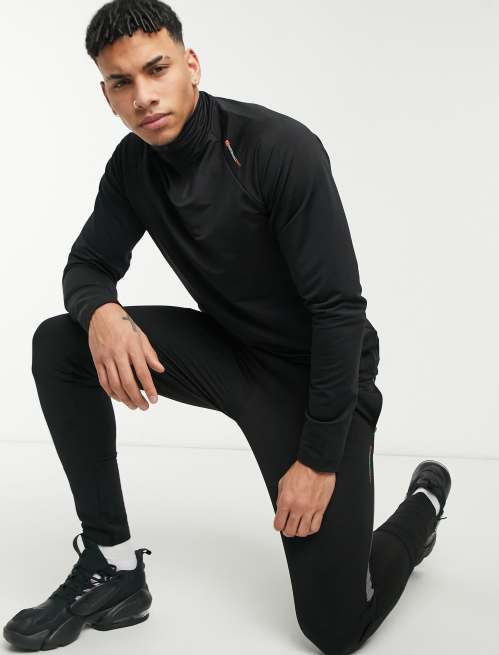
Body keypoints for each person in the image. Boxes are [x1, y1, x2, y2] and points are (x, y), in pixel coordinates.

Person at [3, 1, 452, 653]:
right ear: (107, 96)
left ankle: (422, 509)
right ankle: (113, 566)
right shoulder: (132, 168)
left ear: (191, 64)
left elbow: (339, 312)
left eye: (156, 69)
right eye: (122, 82)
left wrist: (317, 460)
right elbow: (88, 264)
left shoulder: (277, 149)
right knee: (61, 343)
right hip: (229, 357)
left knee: (335, 628)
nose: (143, 95)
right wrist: (101, 312)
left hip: (319, 378)